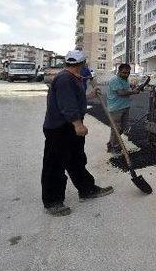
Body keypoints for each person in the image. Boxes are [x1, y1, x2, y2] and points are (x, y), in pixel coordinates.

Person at [42, 50, 113, 217]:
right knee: (55, 164)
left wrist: (90, 94)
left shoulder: (72, 78)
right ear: (82, 64)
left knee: (76, 160)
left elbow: (76, 98)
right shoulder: (65, 79)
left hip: (69, 127)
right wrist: (78, 124)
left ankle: (87, 189)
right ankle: (53, 201)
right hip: (60, 128)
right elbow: (68, 105)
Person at [106, 63, 140, 153]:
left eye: (128, 73)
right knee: (116, 129)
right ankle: (115, 148)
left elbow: (126, 89)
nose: (126, 75)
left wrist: (133, 87)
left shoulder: (125, 79)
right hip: (115, 108)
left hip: (124, 106)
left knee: (121, 129)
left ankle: (111, 144)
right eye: (124, 73)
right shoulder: (115, 80)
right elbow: (120, 92)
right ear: (119, 71)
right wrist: (133, 92)